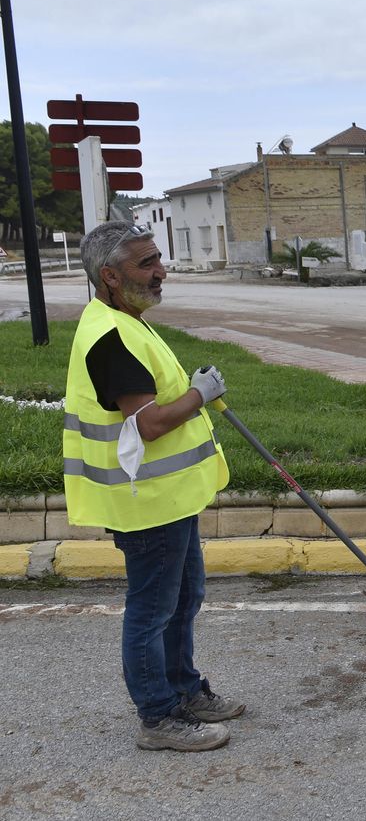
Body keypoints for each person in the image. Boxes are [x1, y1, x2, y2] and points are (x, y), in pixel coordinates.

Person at [64, 221, 239, 752]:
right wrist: (200, 395)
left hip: (171, 495)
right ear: (110, 276)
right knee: (152, 609)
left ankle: (184, 689)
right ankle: (158, 717)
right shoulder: (111, 336)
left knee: (185, 597)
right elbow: (148, 423)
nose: (160, 271)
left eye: (158, 259)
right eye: (146, 264)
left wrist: (192, 390)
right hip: (146, 502)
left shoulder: (129, 319)